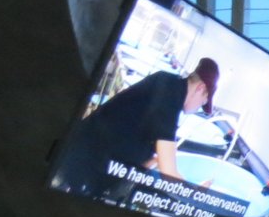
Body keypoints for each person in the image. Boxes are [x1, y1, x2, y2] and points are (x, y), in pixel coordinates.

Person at [53, 57, 221, 203]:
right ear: (200, 88)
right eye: (203, 102)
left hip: (81, 156)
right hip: (77, 168)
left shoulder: (167, 83)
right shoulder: (171, 96)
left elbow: (133, 133)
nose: (199, 107)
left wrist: (153, 159)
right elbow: (168, 173)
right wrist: (195, 193)